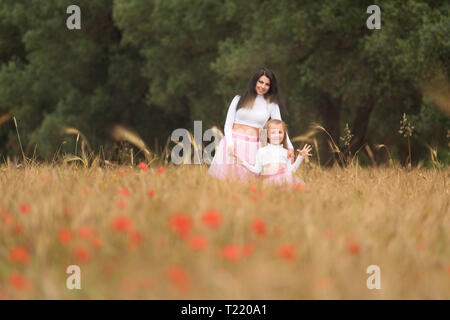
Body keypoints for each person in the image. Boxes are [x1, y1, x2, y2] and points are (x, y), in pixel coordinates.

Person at [208, 68, 295, 181]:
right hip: (233, 144)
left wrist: (290, 147)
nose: (262, 86)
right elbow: (228, 125)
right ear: (255, 81)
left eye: (267, 84)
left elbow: (280, 127)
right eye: (260, 82)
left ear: (270, 87)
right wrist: (230, 143)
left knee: (249, 182)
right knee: (226, 181)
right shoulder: (239, 99)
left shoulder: (272, 105)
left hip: (255, 147)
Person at [234, 119, 312, 187]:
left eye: (280, 132)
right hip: (269, 183)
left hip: (286, 182)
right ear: (267, 134)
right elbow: (257, 171)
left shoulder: (285, 152)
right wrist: (242, 162)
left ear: (284, 134)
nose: (277, 135)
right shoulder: (262, 151)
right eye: (273, 132)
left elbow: (291, 171)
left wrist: (300, 157)